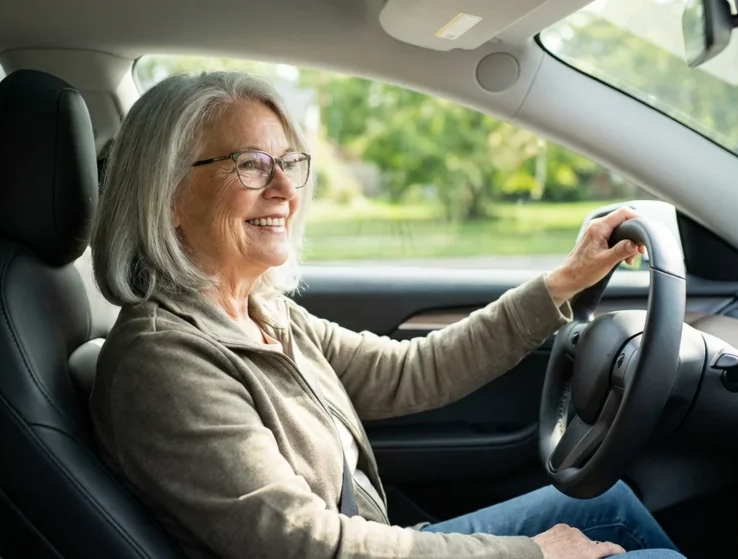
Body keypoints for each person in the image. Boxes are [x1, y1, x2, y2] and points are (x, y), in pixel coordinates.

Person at [88, 70, 685, 559]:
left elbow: (411, 370)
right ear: (166, 197)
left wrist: (564, 281)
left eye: (288, 163)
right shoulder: (164, 362)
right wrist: (532, 556)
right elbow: (305, 545)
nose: (284, 191)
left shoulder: (263, 315)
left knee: (611, 508)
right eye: (249, 164)